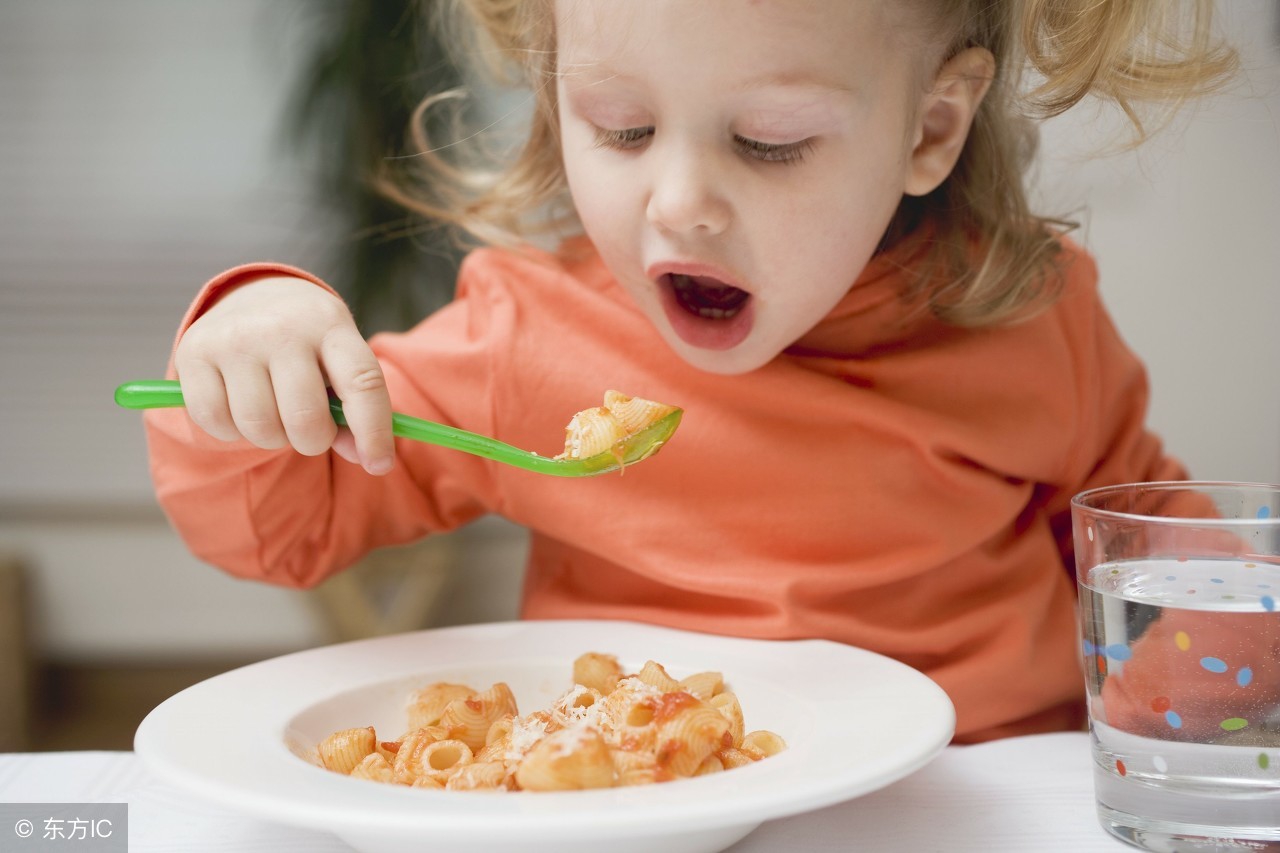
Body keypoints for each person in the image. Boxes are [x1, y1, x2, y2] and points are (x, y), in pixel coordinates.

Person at [142, 1, 1237, 743]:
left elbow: (1146, 544)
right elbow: (280, 525)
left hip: (972, 794)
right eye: (621, 128)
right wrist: (255, 353)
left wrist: (1198, 689)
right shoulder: (530, 340)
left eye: (767, 141)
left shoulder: (1035, 321)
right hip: (641, 806)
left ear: (930, 127)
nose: (677, 203)